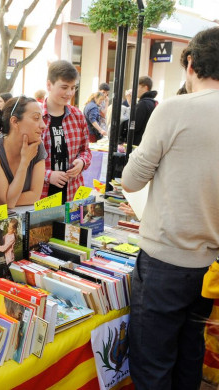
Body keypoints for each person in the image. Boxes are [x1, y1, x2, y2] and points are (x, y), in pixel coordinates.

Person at [122, 27, 219, 390]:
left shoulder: (175, 109)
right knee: (188, 354)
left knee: (152, 363)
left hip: (165, 260)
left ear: (191, 63)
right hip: (209, 265)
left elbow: (131, 179)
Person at [0, 96, 46, 208]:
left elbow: (35, 196)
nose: (43, 125)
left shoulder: (37, 146)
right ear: (15, 121)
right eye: (36, 118)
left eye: (42, 118)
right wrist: (24, 162)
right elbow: (9, 202)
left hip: (18, 220)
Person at [42, 60, 92, 203]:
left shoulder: (77, 116)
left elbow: (86, 150)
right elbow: (23, 162)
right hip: (42, 196)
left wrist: (82, 162)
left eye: (73, 87)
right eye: (64, 87)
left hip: (72, 194)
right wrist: (48, 175)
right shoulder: (36, 117)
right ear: (49, 85)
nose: (69, 93)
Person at [132, 75, 158, 145]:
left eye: (137, 87)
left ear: (145, 88)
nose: (135, 90)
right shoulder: (154, 103)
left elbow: (135, 126)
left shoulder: (143, 104)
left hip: (138, 143)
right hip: (148, 142)